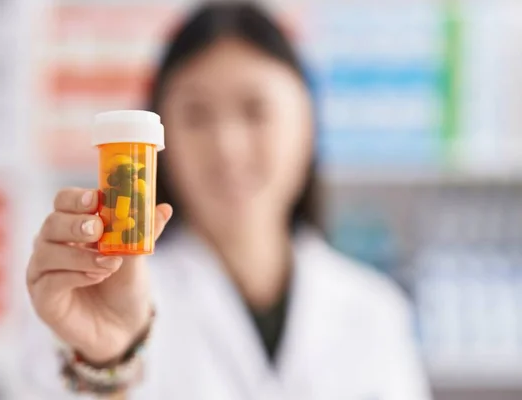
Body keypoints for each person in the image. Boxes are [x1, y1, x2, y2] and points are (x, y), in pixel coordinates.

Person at [25, 2, 432, 399]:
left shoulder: (374, 313)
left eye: (255, 110)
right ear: (159, 141)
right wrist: (107, 362)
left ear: (307, 122)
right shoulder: (101, 295)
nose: (227, 148)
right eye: (197, 115)